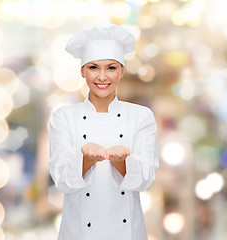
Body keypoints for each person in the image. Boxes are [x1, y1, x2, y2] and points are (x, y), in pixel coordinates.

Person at [49, 23, 158, 240]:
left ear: (122, 71)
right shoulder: (63, 118)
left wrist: (121, 163)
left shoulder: (141, 117)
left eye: (111, 68)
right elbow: (61, 179)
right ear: (82, 71)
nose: (102, 77)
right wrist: (86, 160)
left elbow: (146, 178)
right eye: (93, 68)